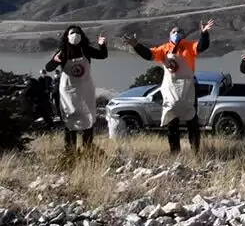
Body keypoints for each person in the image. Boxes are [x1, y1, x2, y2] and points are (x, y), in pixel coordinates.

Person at [127, 20, 215, 154]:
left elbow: (202, 46)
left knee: (192, 123)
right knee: (171, 122)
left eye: (179, 32)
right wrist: (137, 46)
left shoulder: (189, 46)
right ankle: (175, 153)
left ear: (183, 35)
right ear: (169, 35)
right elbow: (149, 55)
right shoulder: (164, 49)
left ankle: (196, 153)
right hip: (170, 89)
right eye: (174, 32)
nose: (176, 33)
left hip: (188, 89)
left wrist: (204, 34)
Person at [44, 25, 108, 152]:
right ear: (67, 36)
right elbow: (48, 67)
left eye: (77, 32)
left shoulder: (86, 50)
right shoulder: (62, 52)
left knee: (88, 117)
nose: (75, 35)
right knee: (70, 119)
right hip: (69, 91)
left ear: (82, 35)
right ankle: (70, 150)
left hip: (85, 89)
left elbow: (102, 55)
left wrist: (102, 44)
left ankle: (88, 147)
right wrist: (55, 61)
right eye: (72, 32)